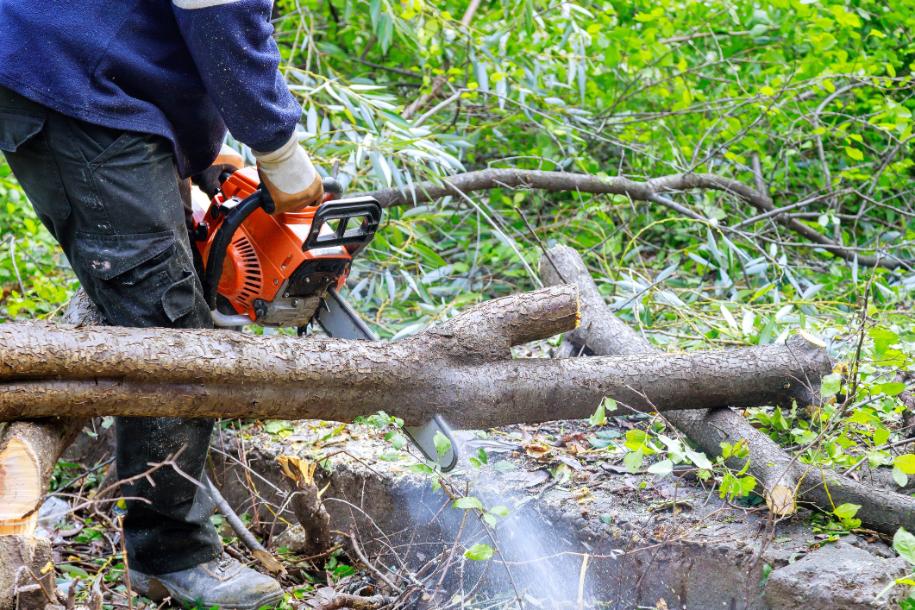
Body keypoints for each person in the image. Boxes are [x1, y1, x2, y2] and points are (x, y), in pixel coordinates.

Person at [0, 1, 322, 607]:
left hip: (100, 72)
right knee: (167, 329)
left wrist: (200, 154)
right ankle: (170, 556)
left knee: (168, 294)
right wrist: (277, 149)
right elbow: (221, 13)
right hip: (73, 78)